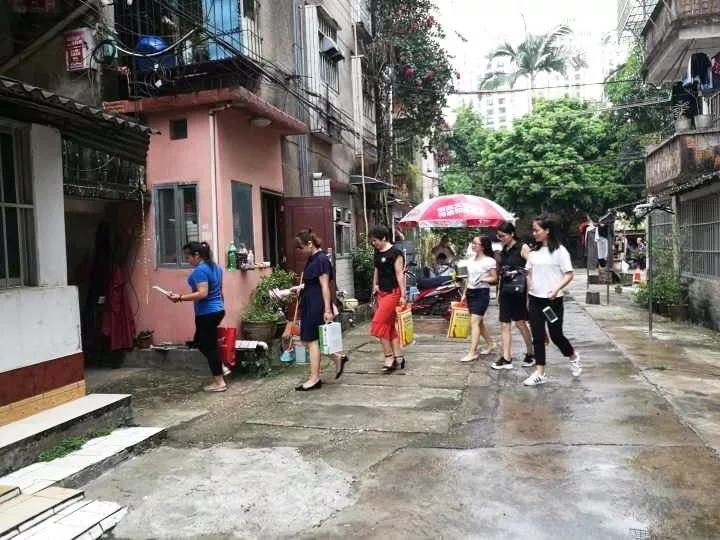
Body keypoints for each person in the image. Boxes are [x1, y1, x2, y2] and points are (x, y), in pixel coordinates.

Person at [523, 214, 582, 386]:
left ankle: (573, 356)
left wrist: (556, 288)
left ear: (547, 231)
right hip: (535, 300)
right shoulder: (533, 253)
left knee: (556, 335)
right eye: (533, 230)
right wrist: (529, 285)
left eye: (537, 230)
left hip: (552, 302)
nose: (534, 233)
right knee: (537, 336)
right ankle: (540, 372)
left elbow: (569, 274)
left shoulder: (560, 251)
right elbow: (529, 272)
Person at [292, 230, 349, 391]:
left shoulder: (321, 260)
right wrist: (298, 289)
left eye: (301, 247)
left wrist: (327, 309)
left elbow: (324, 286)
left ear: (310, 244)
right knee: (308, 339)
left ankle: (314, 378)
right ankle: (337, 358)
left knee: (311, 340)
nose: (300, 251)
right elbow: (312, 283)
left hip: (317, 303)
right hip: (309, 300)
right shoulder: (312, 259)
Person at [169, 241, 227, 393]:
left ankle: (219, 382)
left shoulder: (200, 270)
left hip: (207, 312)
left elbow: (202, 293)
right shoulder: (216, 267)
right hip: (217, 310)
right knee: (201, 342)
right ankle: (220, 368)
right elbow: (219, 290)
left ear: (197, 255)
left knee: (208, 346)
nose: (187, 260)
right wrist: (221, 307)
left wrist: (180, 297)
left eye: (188, 257)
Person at [492, 222, 535, 370]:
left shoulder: (522, 248)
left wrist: (529, 289)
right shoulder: (504, 250)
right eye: (499, 236)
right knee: (504, 324)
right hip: (505, 290)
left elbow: (533, 267)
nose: (501, 238)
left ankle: (531, 353)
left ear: (511, 234)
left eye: (503, 236)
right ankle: (506, 358)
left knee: (520, 323)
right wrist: (498, 292)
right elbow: (501, 273)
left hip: (519, 291)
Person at [370, 225, 407, 373]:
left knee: (378, 324)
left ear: (384, 238)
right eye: (372, 241)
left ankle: (388, 357)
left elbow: (400, 274)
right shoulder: (377, 252)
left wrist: (403, 295)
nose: (374, 243)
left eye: (375, 240)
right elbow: (376, 270)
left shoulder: (395, 253)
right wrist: (375, 286)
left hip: (393, 293)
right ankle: (398, 357)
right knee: (389, 326)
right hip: (381, 293)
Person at [459, 236, 498, 363]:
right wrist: (464, 293)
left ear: (483, 246)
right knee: (479, 323)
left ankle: (472, 353)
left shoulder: (489, 261)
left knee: (474, 323)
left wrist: (483, 279)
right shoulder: (470, 260)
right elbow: (468, 278)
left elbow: (494, 278)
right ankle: (491, 343)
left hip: (481, 293)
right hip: (471, 293)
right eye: (473, 243)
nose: (473, 245)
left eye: (476, 243)